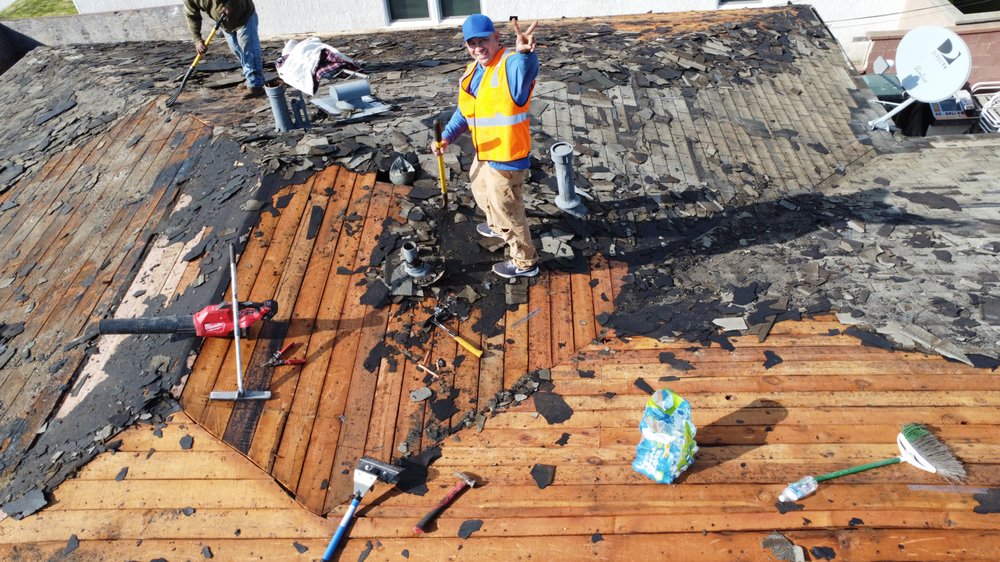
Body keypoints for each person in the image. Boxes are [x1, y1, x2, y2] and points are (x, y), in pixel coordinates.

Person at [432, 14, 541, 279]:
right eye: (472, 43)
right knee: (479, 187)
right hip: (485, 152)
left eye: (483, 40)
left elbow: (525, 71)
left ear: (497, 38)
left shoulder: (511, 65)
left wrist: (526, 54)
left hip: (507, 157)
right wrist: (446, 136)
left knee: (509, 212)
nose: (478, 47)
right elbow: (464, 111)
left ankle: (526, 263)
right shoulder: (473, 71)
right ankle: (496, 226)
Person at [183, 0, 265, 99]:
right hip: (224, 24)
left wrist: (230, 5)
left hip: (244, 15)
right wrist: (197, 40)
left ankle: (256, 85)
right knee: (237, 50)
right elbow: (192, 16)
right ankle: (251, 78)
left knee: (248, 49)